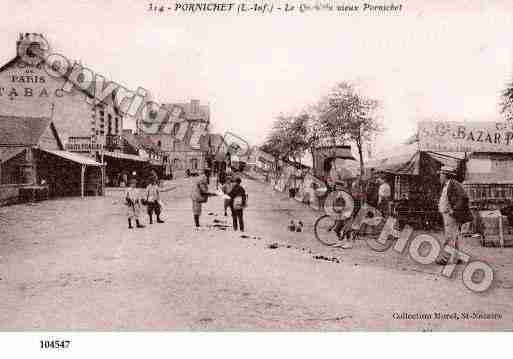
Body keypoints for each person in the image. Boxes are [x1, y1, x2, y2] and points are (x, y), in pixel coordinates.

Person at [436, 166, 473, 265]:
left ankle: (445, 258)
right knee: (454, 237)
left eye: (441, 175)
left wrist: (454, 210)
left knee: (449, 237)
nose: (439, 177)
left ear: (445, 175)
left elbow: (464, 197)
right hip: (447, 215)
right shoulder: (447, 185)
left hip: (451, 215)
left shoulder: (453, 184)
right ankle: (457, 258)